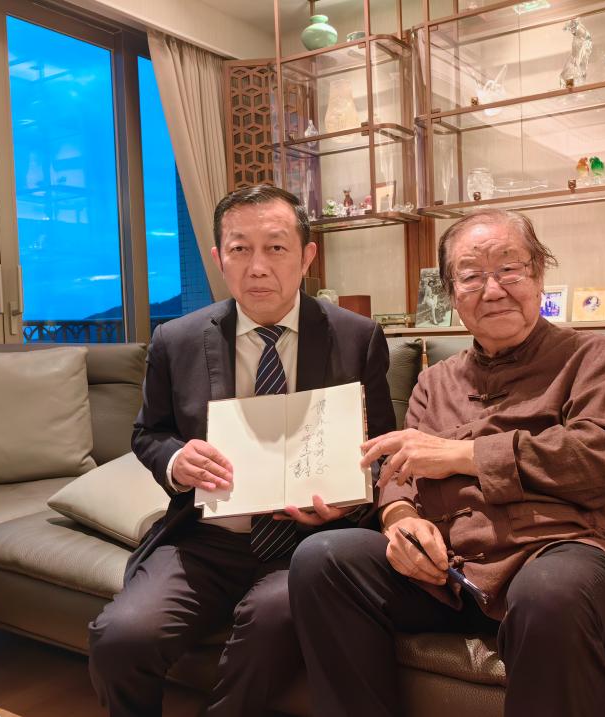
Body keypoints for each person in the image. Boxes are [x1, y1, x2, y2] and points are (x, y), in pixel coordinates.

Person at [288, 208, 605, 716]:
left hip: (571, 559)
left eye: (510, 269)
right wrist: (401, 521)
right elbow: (399, 478)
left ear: (538, 275)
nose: (494, 289)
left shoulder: (591, 357)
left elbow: (603, 458)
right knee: (323, 558)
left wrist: (463, 455)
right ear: (451, 294)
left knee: (547, 593)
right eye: (471, 276)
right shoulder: (433, 381)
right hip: (453, 577)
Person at [88, 185, 395, 717]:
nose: (257, 267)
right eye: (239, 249)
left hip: (306, 545)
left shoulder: (357, 337)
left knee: (270, 625)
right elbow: (149, 433)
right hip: (207, 540)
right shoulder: (176, 340)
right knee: (121, 636)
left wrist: (349, 504)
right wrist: (176, 461)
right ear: (218, 258)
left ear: (307, 256)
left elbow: (382, 449)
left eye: (276, 247)